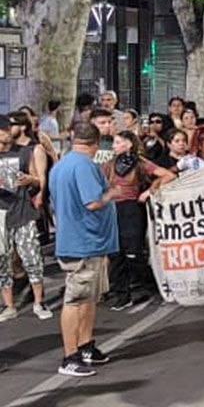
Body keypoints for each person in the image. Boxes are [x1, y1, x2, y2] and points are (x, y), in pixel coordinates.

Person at [49, 123, 119, 377]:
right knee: (76, 300)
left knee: (88, 298)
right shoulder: (84, 165)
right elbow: (93, 202)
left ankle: (85, 345)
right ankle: (70, 356)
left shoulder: (62, 165)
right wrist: (112, 192)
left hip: (84, 241)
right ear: (96, 143)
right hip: (83, 242)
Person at [104, 131, 172, 309]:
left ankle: (142, 287)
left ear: (128, 144)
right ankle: (121, 294)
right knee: (115, 253)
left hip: (132, 209)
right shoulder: (109, 164)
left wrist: (149, 191)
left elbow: (167, 175)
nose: (114, 146)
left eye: (118, 142)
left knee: (133, 252)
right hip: (113, 209)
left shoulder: (141, 163)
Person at [0, 114, 52, 321]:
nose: (7, 133)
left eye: (8, 128)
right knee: (3, 260)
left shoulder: (25, 152)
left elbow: (38, 181)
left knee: (32, 258)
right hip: (1, 214)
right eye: (4, 130)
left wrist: (30, 179)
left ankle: (39, 302)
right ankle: (9, 306)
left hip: (23, 211)